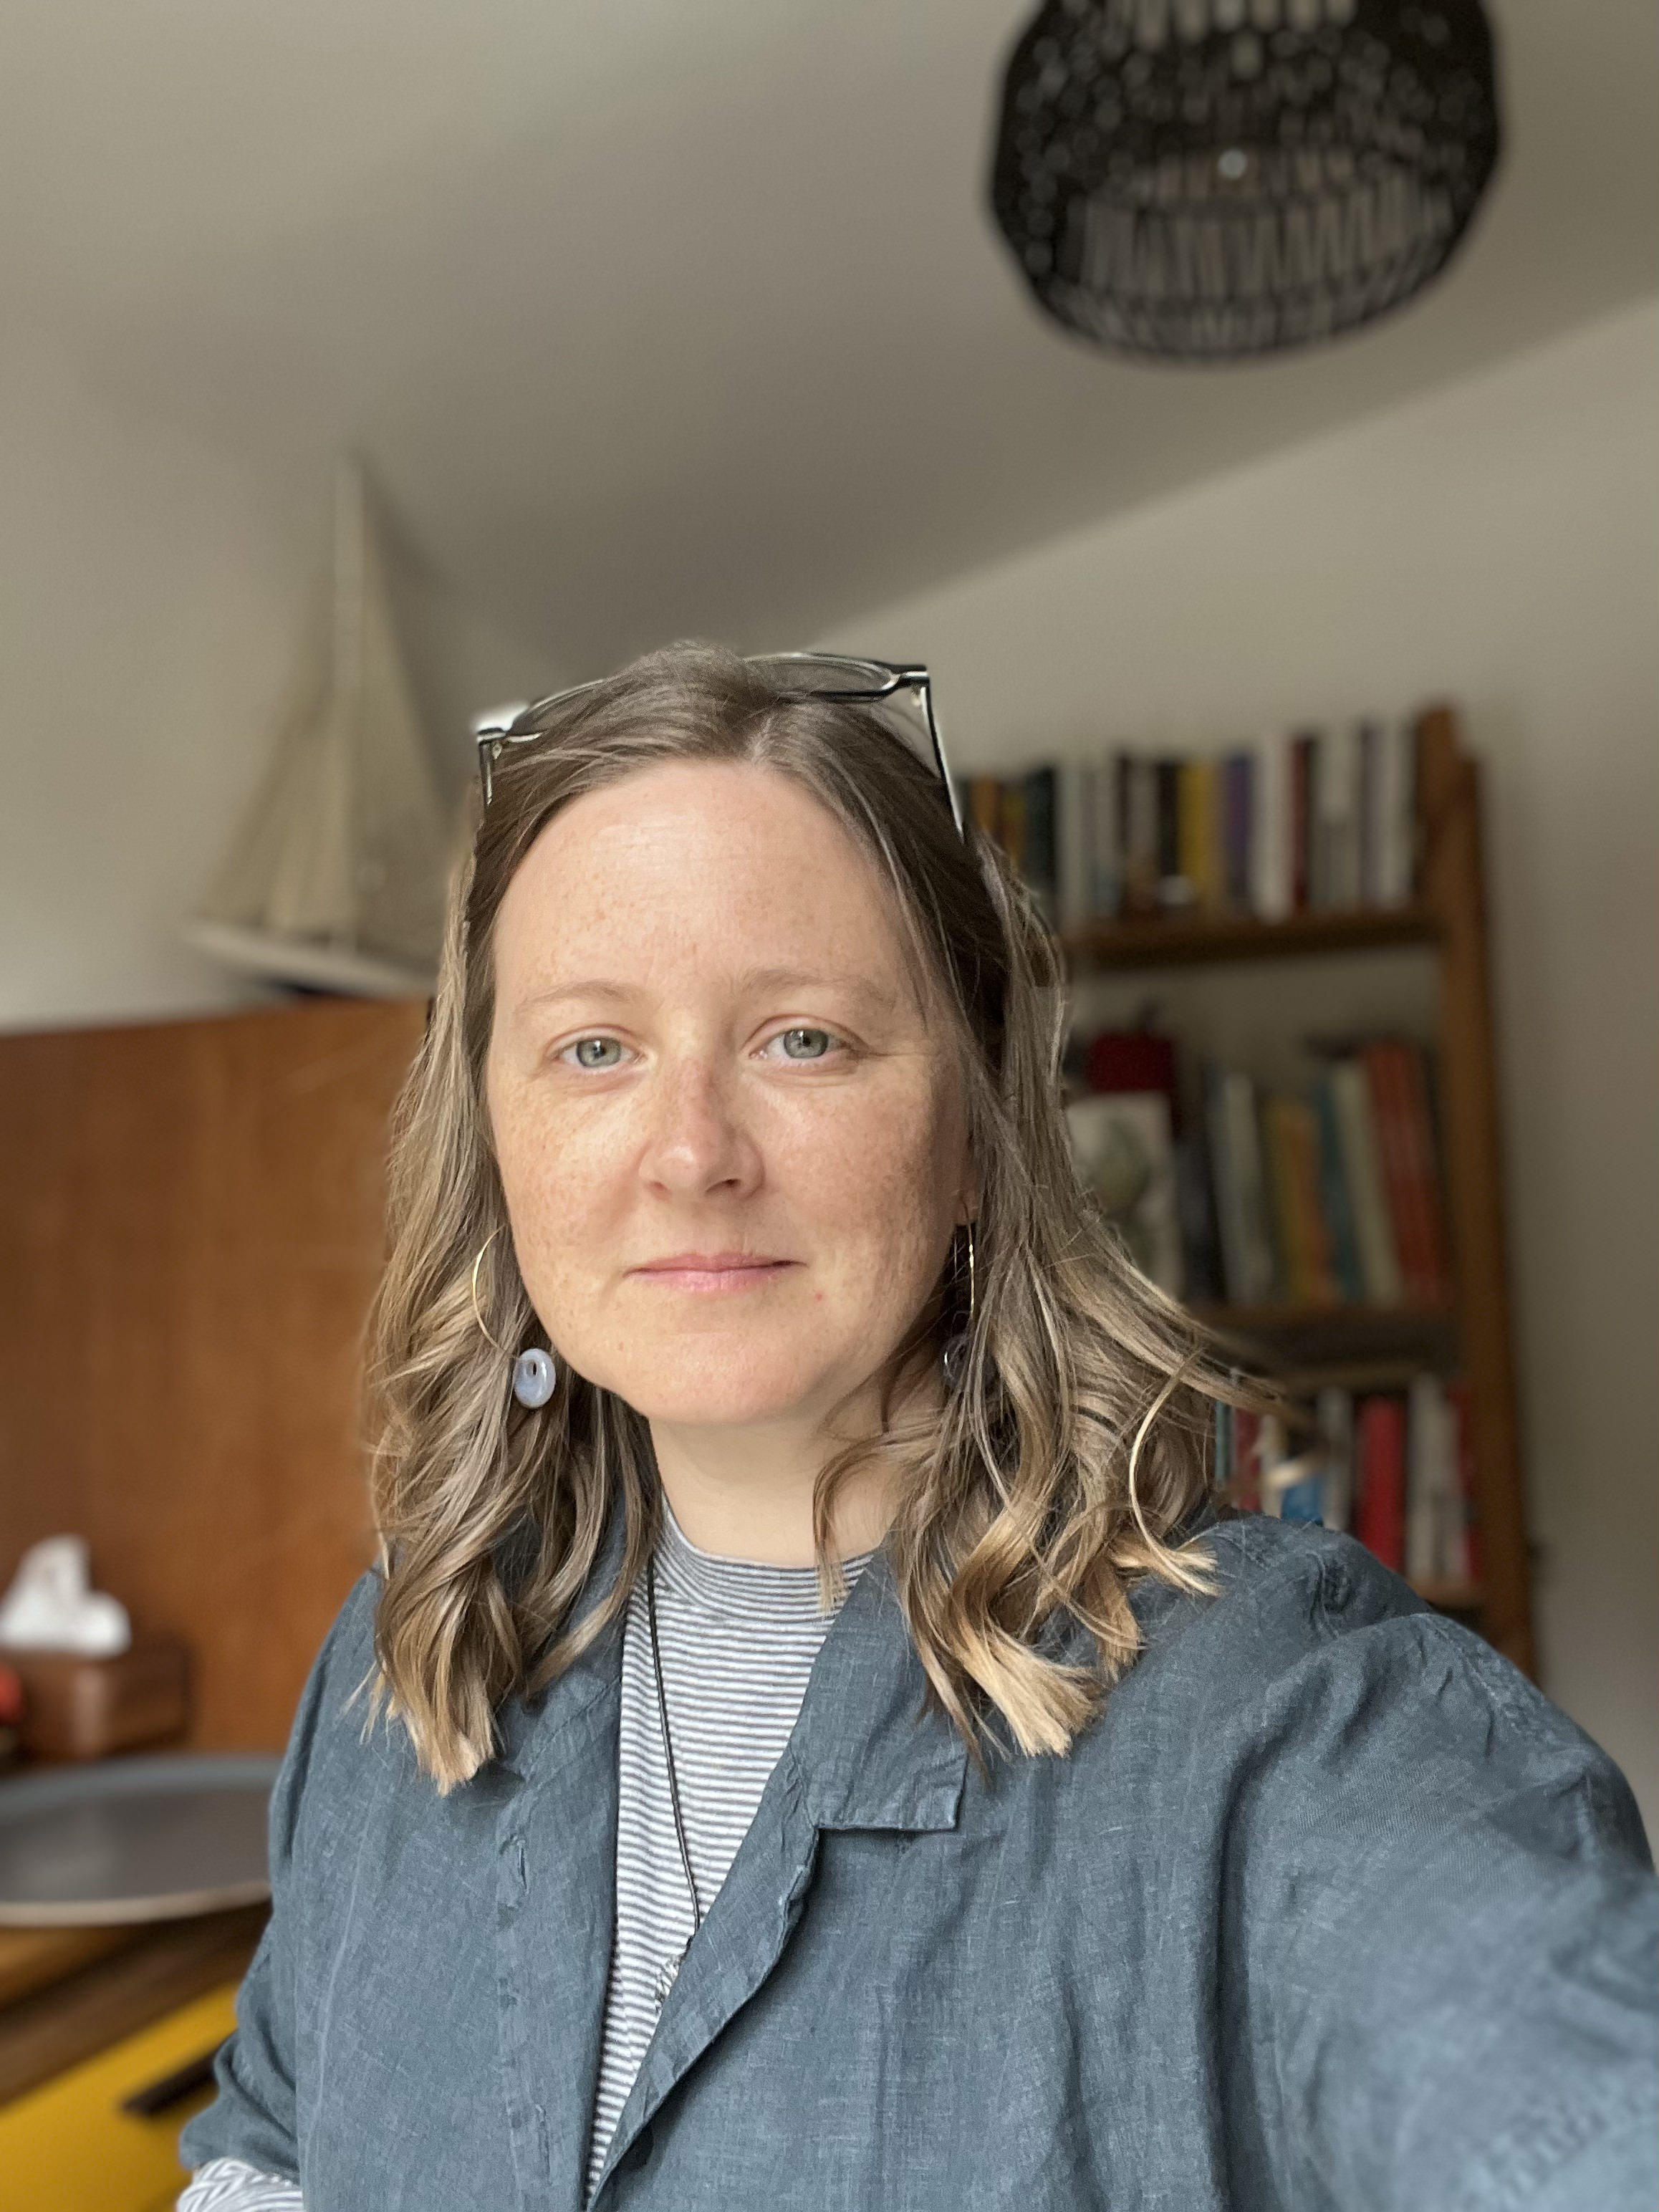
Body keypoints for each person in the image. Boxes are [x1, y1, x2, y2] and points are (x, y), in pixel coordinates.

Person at [180, 644, 1658, 2211]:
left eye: (802, 1035)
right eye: (593, 1047)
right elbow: (274, 2133)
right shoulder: (406, 1648)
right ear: (494, 1137)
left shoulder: (1288, 1730)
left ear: (974, 1126)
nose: (691, 1151)